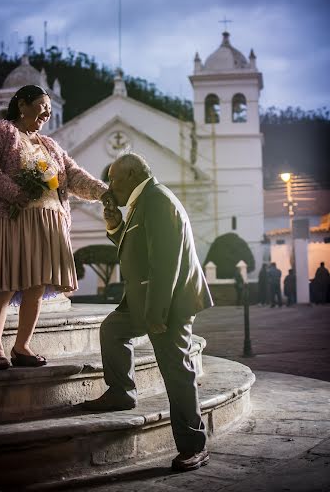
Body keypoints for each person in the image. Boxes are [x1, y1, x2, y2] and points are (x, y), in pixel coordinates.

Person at [81, 152, 214, 473]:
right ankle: (121, 392)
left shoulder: (157, 202)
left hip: (168, 303)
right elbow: (137, 247)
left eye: (113, 178)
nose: (109, 185)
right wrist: (115, 226)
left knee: (177, 372)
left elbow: (165, 263)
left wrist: (157, 313)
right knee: (112, 330)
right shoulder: (145, 201)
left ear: (131, 175)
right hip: (145, 299)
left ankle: (195, 446)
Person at [0, 84, 110, 370]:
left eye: (49, 107)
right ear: (22, 104)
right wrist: (14, 192)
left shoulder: (49, 145)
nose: (47, 111)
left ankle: (22, 347)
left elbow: (72, 176)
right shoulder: (1, 132)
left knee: (36, 284)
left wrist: (104, 192)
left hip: (47, 222)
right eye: (43, 104)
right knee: (3, 283)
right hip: (10, 219)